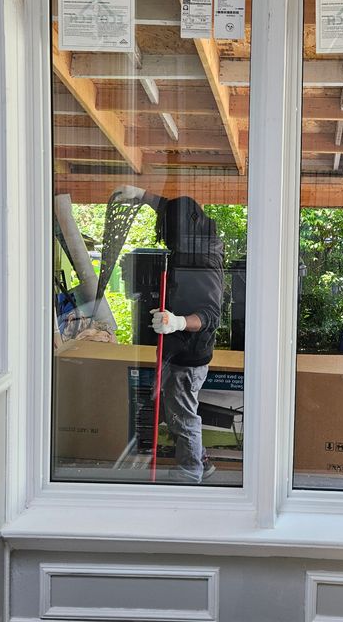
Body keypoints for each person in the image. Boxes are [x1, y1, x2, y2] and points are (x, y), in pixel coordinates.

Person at [148, 195, 224, 484]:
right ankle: (201, 460)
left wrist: (177, 322)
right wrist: (140, 195)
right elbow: (170, 208)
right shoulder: (195, 240)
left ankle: (190, 473)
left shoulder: (202, 259)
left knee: (182, 416)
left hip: (189, 355)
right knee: (178, 410)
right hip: (178, 350)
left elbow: (211, 315)